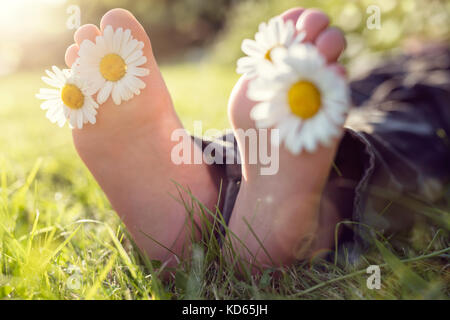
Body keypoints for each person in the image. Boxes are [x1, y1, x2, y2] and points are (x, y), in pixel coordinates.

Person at [64, 8, 450, 271]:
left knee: (396, 110)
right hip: (392, 69)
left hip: (431, 73)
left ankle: (241, 194)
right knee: (321, 99)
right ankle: (222, 195)